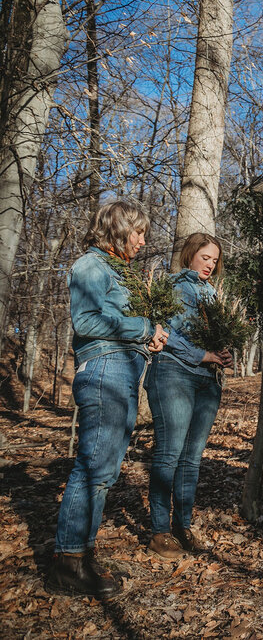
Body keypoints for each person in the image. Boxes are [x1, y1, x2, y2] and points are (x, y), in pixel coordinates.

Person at [48, 201, 169, 598]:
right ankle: (68, 563)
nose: (143, 241)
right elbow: (85, 322)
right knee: (94, 469)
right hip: (104, 372)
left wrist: (150, 337)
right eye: (138, 232)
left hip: (121, 370)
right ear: (118, 229)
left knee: (104, 470)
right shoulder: (90, 265)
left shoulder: (117, 271)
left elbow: (115, 325)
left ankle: (81, 555)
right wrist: (141, 327)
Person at [145, 233, 233, 559]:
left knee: (192, 459)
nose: (210, 264)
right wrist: (204, 355)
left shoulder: (212, 294)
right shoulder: (176, 285)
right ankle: (159, 532)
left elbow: (215, 337)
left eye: (214, 259)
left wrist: (221, 355)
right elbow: (168, 336)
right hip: (173, 374)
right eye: (205, 257)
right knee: (169, 454)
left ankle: (183, 526)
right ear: (191, 254)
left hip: (207, 381)